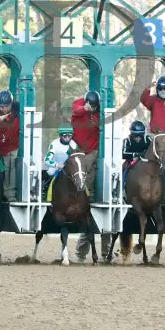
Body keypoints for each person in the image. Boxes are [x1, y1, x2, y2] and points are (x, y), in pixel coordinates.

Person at [72, 90, 103, 260]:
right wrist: (85, 108)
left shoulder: (99, 113)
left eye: (94, 106)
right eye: (91, 105)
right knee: (78, 170)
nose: (92, 108)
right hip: (78, 146)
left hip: (92, 149)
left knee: (89, 172)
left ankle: (86, 194)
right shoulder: (78, 105)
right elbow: (75, 112)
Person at [140, 76, 165, 183]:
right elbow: (143, 99)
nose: (163, 91)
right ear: (157, 89)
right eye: (160, 89)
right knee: (146, 147)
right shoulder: (153, 100)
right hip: (155, 133)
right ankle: (142, 171)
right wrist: (148, 88)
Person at [42, 126, 79, 195]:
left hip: (69, 167)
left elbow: (77, 158)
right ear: (60, 135)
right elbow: (47, 160)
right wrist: (57, 165)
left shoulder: (74, 144)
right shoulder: (54, 144)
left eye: (70, 135)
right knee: (50, 172)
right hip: (56, 166)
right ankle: (46, 192)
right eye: (64, 136)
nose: (67, 138)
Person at [122, 120, 152, 185]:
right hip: (132, 161)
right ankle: (122, 185)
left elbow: (153, 149)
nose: (138, 138)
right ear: (131, 134)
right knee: (123, 170)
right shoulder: (127, 140)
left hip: (146, 160)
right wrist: (135, 154)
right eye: (135, 135)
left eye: (140, 135)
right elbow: (123, 154)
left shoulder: (148, 139)